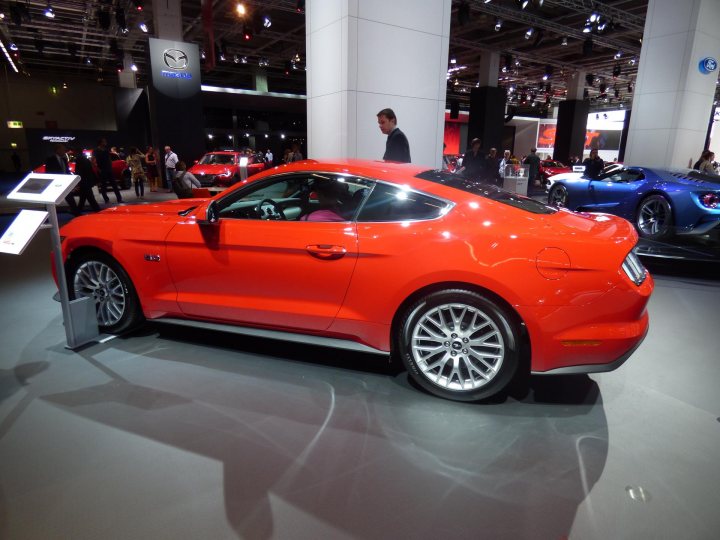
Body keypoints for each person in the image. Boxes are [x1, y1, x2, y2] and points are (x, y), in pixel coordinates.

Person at [44, 143, 80, 215]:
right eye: (63, 150)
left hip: (64, 183)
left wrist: (72, 181)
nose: (65, 151)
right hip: (55, 184)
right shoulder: (50, 159)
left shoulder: (64, 159)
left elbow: (67, 171)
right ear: (57, 150)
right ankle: (47, 216)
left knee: (70, 199)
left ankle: (77, 214)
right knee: (51, 201)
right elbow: (48, 172)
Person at [93, 138, 122, 204]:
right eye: (104, 141)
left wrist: (110, 166)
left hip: (109, 169)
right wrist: (98, 169)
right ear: (100, 143)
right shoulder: (96, 151)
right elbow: (93, 160)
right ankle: (106, 200)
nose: (106, 142)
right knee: (103, 186)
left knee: (114, 184)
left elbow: (109, 159)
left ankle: (119, 199)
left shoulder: (106, 150)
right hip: (102, 170)